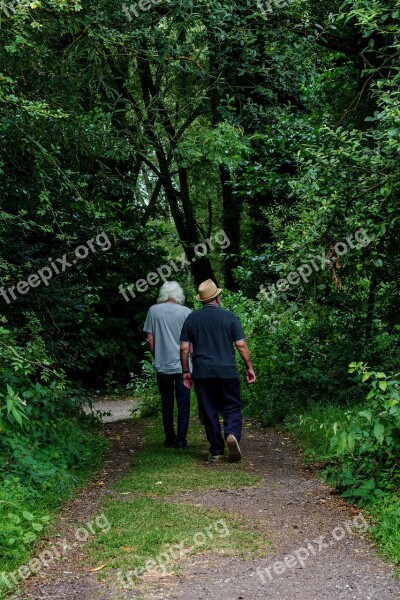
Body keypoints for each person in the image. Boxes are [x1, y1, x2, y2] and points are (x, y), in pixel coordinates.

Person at [180, 279, 256, 462]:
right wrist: (249, 367)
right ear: (218, 297)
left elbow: (184, 348)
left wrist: (185, 371)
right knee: (231, 407)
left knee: (209, 410)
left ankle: (216, 451)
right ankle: (231, 434)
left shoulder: (192, 318)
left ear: (201, 300)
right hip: (227, 371)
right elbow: (241, 344)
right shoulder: (229, 317)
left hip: (203, 373)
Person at [143, 281, 191, 449]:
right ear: (179, 293)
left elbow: (150, 339)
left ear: (162, 293)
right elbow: (190, 342)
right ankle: (181, 441)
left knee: (167, 402)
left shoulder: (153, 311)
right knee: (183, 404)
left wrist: (157, 355)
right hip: (182, 367)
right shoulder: (186, 312)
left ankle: (169, 438)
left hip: (162, 365)